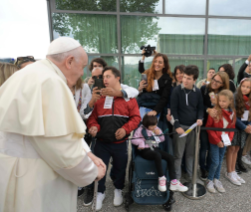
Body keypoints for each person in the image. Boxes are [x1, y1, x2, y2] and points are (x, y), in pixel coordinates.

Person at [0, 37, 106, 212]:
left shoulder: (29, 74)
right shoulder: (51, 82)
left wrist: (88, 154)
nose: (82, 73)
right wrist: (92, 172)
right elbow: (61, 148)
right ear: (69, 61)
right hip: (32, 179)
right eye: (82, 66)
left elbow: (55, 131)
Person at [86, 66, 141, 210]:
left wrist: (125, 129)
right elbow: (93, 118)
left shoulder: (128, 98)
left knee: (120, 168)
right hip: (101, 143)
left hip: (120, 143)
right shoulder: (99, 98)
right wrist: (94, 127)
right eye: (103, 77)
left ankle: (118, 190)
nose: (105, 79)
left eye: (108, 76)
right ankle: (100, 192)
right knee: (99, 167)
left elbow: (136, 118)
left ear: (118, 78)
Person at [132, 115, 188, 192]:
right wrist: (142, 143)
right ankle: (161, 177)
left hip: (155, 148)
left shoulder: (156, 129)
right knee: (157, 155)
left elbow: (162, 139)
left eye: (155, 124)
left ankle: (173, 181)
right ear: (146, 125)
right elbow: (133, 140)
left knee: (170, 157)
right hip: (145, 150)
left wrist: (159, 134)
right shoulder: (140, 129)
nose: (154, 126)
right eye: (152, 125)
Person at [170, 65, 204, 181]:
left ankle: (191, 176)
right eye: (184, 77)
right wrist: (177, 126)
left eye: (189, 78)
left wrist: (200, 118)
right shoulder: (177, 91)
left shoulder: (198, 92)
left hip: (193, 128)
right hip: (180, 128)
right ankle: (177, 179)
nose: (185, 80)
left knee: (191, 154)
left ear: (195, 80)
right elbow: (173, 110)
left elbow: (200, 108)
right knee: (178, 155)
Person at [199, 72, 229, 180]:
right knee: (204, 147)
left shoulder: (224, 93)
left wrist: (217, 104)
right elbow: (199, 105)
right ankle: (202, 168)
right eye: (213, 79)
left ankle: (209, 167)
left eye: (218, 81)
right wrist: (208, 109)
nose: (214, 82)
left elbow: (228, 109)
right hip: (204, 123)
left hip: (217, 125)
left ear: (223, 84)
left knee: (213, 147)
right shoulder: (204, 89)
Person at [205, 89, 236, 193]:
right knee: (215, 162)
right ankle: (209, 180)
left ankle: (216, 179)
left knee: (220, 159)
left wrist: (229, 140)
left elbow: (232, 127)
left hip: (225, 140)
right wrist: (217, 140)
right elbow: (209, 127)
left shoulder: (232, 113)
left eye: (224, 101)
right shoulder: (215, 111)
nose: (221, 103)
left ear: (230, 101)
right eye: (220, 101)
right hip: (215, 140)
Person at [232, 78, 251, 177]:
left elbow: (250, 114)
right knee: (235, 147)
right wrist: (244, 127)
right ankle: (234, 165)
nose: (245, 89)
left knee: (241, 145)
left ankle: (239, 162)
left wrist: (250, 125)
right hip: (236, 125)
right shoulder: (235, 97)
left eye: (248, 87)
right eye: (243, 86)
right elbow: (233, 116)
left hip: (245, 125)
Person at [138, 51, 173, 117]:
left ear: (164, 65)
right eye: (155, 61)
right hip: (143, 106)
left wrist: (155, 111)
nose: (157, 64)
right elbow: (141, 92)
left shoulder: (167, 79)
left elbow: (164, 98)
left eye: (160, 62)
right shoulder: (147, 74)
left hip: (158, 108)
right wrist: (140, 88)